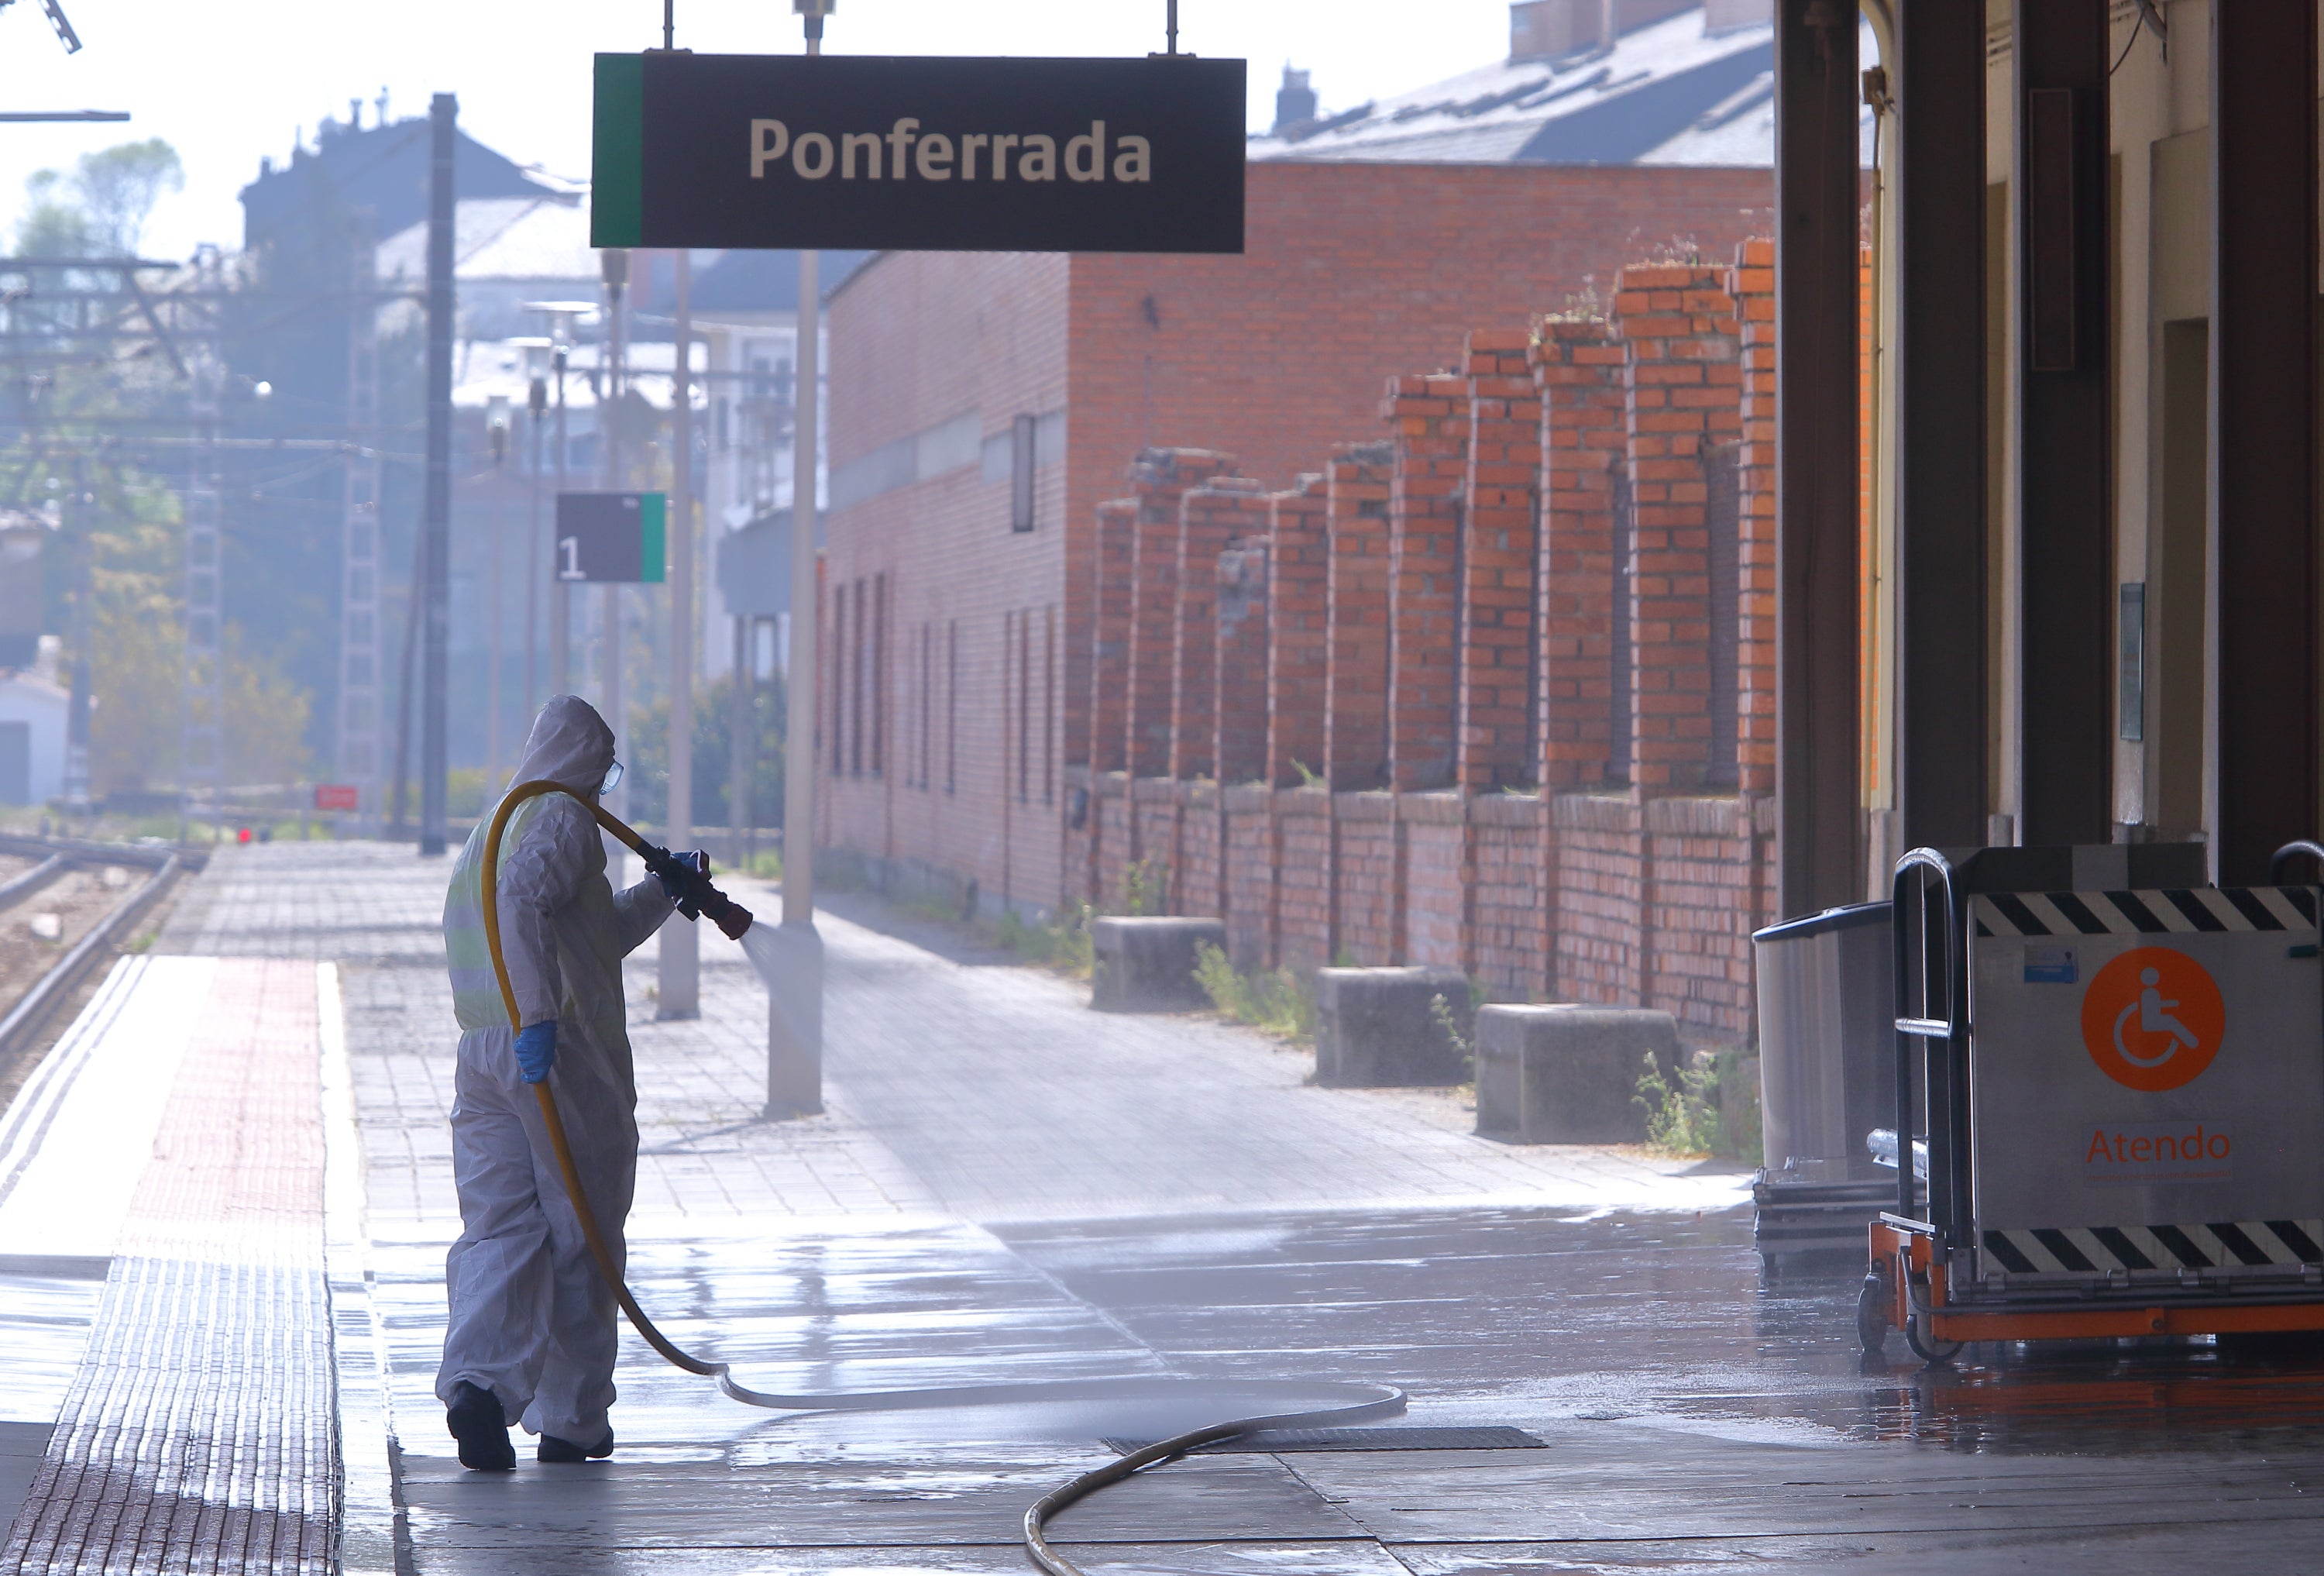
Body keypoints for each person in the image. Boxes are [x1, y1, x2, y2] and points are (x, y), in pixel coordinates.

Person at [433, 695, 705, 1469]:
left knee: (502, 1229)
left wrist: (661, 893)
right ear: (586, 761)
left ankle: (478, 1389)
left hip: (485, 1058)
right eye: (604, 770)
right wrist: (543, 1019)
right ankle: (573, 1421)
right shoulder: (561, 818)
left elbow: (582, 937)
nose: (603, 787)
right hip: (556, 1054)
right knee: (582, 1232)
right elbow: (523, 905)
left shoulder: (498, 824)